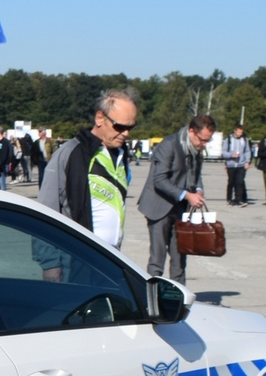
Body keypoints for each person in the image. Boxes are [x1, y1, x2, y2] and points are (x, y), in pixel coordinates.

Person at [38, 88, 138, 252]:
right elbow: (46, 210)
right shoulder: (69, 153)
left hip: (112, 258)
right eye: (119, 126)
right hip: (77, 257)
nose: (126, 133)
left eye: (131, 127)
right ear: (100, 118)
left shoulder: (121, 154)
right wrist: (50, 263)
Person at [137, 113, 215, 283]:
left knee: (180, 259)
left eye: (208, 141)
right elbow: (159, 180)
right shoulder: (169, 145)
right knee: (157, 260)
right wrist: (187, 195)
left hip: (181, 210)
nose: (204, 144)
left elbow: (196, 175)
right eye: (203, 140)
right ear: (192, 131)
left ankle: (179, 299)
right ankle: (151, 301)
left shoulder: (196, 149)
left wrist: (199, 190)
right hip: (158, 207)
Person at [222, 124, 252, 206]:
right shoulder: (228, 140)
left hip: (241, 165)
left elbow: (247, 151)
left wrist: (247, 162)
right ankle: (229, 198)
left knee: (240, 182)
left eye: (241, 132)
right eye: (239, 132)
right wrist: (231, 155)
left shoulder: (244, 140)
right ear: (235, 131)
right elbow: (223, 152)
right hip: (231, 165)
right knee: (231, 182)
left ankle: (239, 199)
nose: (240, 134)